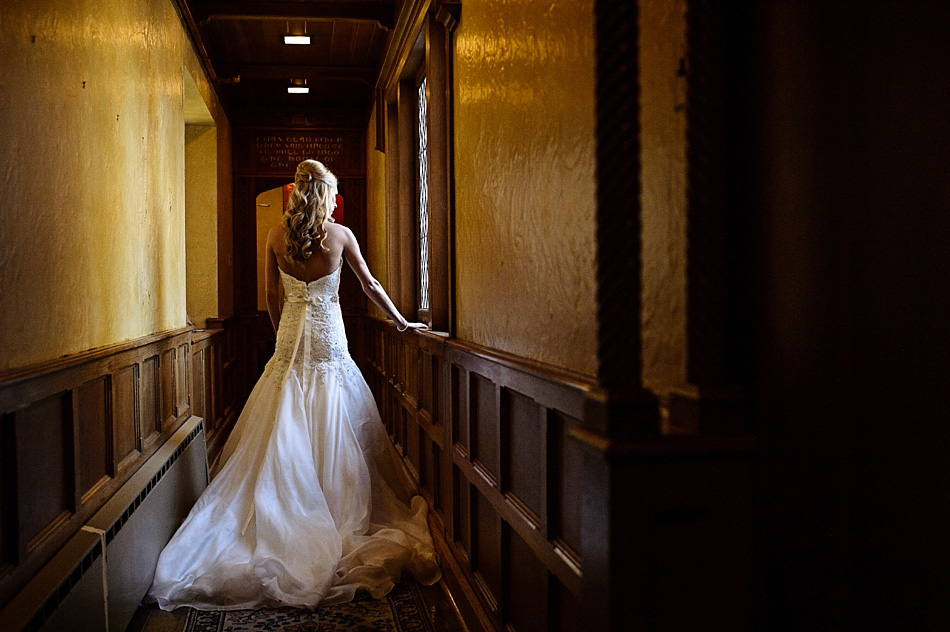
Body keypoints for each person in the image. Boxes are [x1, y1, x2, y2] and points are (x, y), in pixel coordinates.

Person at [147, 159, 440, 610]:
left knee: (283, 410)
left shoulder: (274, 237)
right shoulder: (340, 236)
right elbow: (369, 284)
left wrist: (283, 329)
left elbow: (268, 294)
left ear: (296, 193)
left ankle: (281, 508)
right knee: (334, 413)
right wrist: (401, 322)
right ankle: (332, 504)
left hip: (290, 334)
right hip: (328, 336)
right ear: (327, 194)